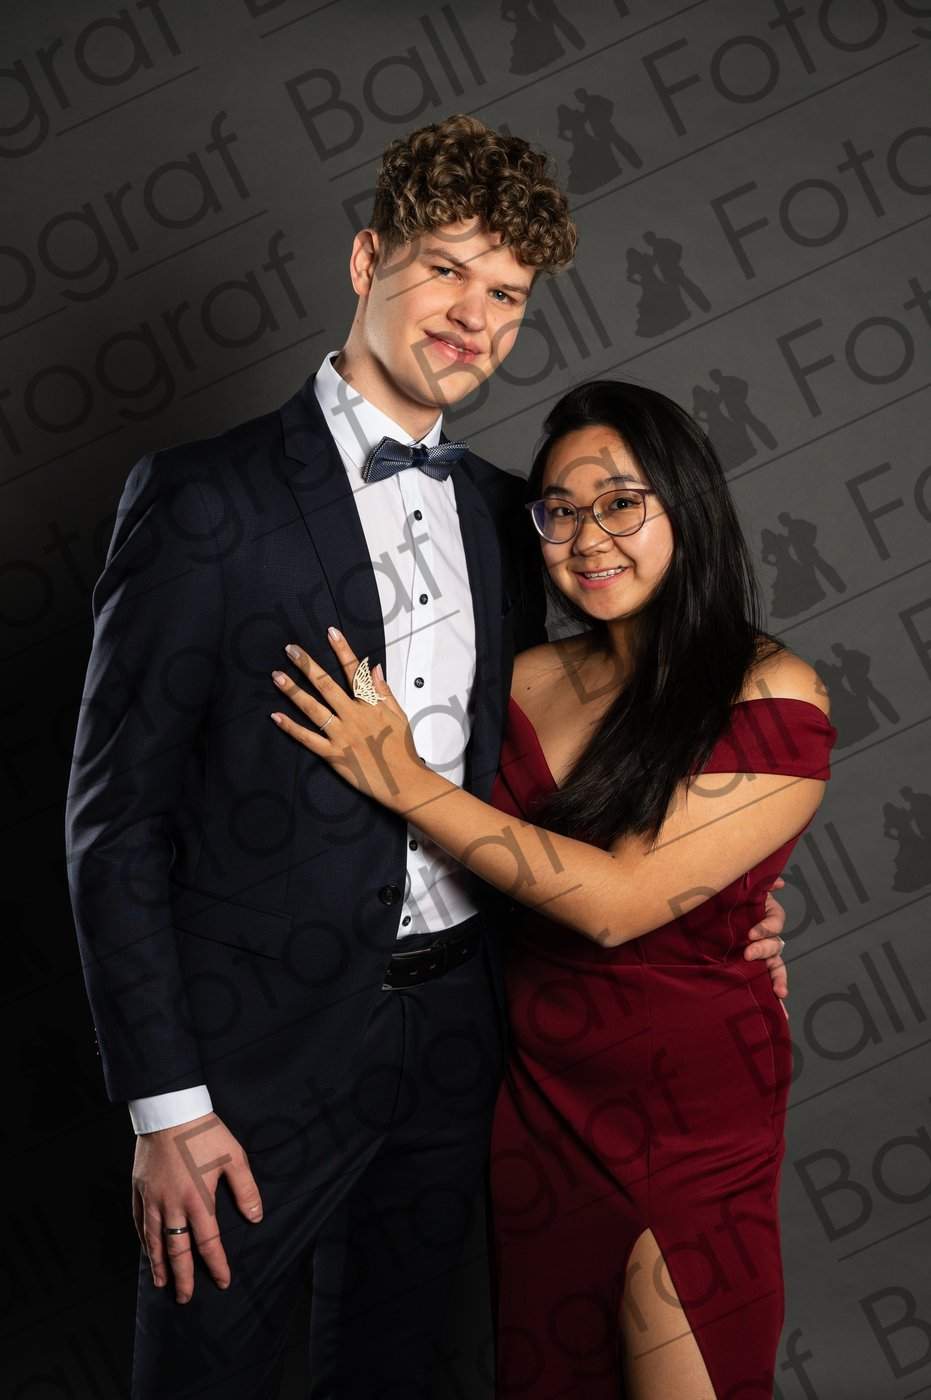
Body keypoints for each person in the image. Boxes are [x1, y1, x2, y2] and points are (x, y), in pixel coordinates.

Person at [65, 111, 789, 1400]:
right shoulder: (202, 496)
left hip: (464, 1035)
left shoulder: (511, 515)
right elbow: (115, 824)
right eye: (445, 269)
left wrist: (722, 906)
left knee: (400, 1368)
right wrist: (166, 1105)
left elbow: (594, 741)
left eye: (505, 293)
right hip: (252, 1052)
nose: (473, 315)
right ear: (366, 261)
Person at [269, 378, 832, 1398]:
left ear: (685, 505)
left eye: (620, 503)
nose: (586, 537)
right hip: (536, 1100)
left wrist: (400, 776)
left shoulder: (770, 688)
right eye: (559, 511)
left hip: (691, 1115)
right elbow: (455, 872)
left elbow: (618, 904)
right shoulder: (523, 677)